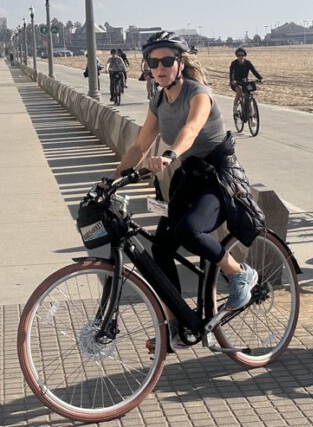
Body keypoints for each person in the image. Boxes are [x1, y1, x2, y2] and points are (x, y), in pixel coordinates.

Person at [107, 31, 259, 347]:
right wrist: (112, 179)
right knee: (160, 249)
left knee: (190, 230)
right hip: (191, 175)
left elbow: (191, 130)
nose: (160, 68)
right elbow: (138, 146)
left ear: (180, 62)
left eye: (166, 61)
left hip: (220, 174)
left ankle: (239, 273)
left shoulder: (198, 93)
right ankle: (176, 324)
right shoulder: (159, 99)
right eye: (153, 62)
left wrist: (169, 155)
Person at [229, 47, 263, 112]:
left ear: (245, 55)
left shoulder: (248, 63)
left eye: (242, 55)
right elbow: (232, 73)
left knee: (248, 94)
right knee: (239, 90)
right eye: (239, 55)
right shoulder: (234, 63)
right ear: (237, 56)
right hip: (236, 82)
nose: (241, 57)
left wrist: (260, 78)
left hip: (244, 81)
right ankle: (235, 106)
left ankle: (250, 113)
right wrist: (232, 80)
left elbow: (254, 71)